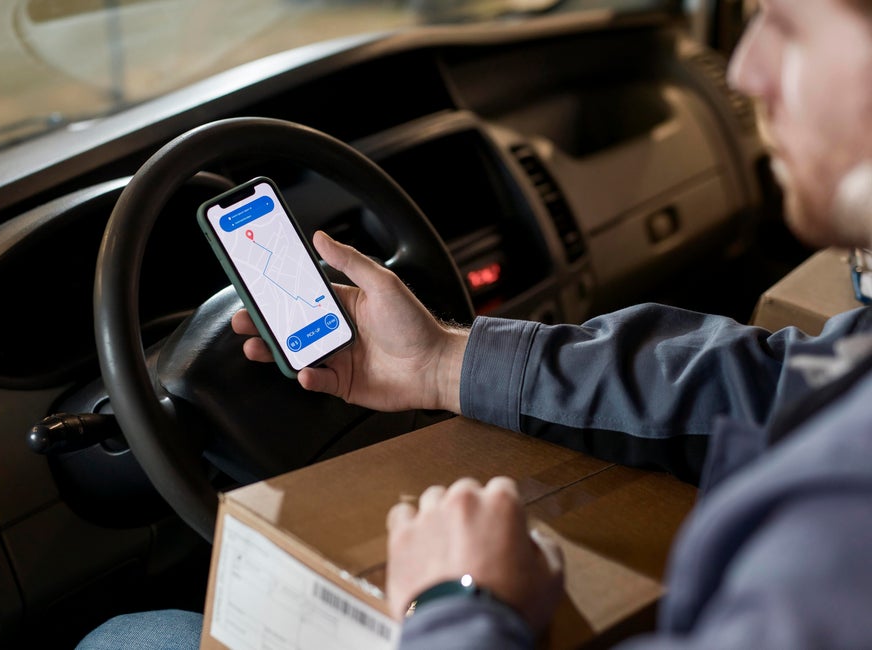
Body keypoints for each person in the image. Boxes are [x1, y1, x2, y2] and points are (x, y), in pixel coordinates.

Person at [76, 0, 872, 647]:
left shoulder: (834, 538)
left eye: (793, 24)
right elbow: (768, 389)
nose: (743, 69)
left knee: (129, 637)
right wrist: (443, 361)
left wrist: (463, 602)